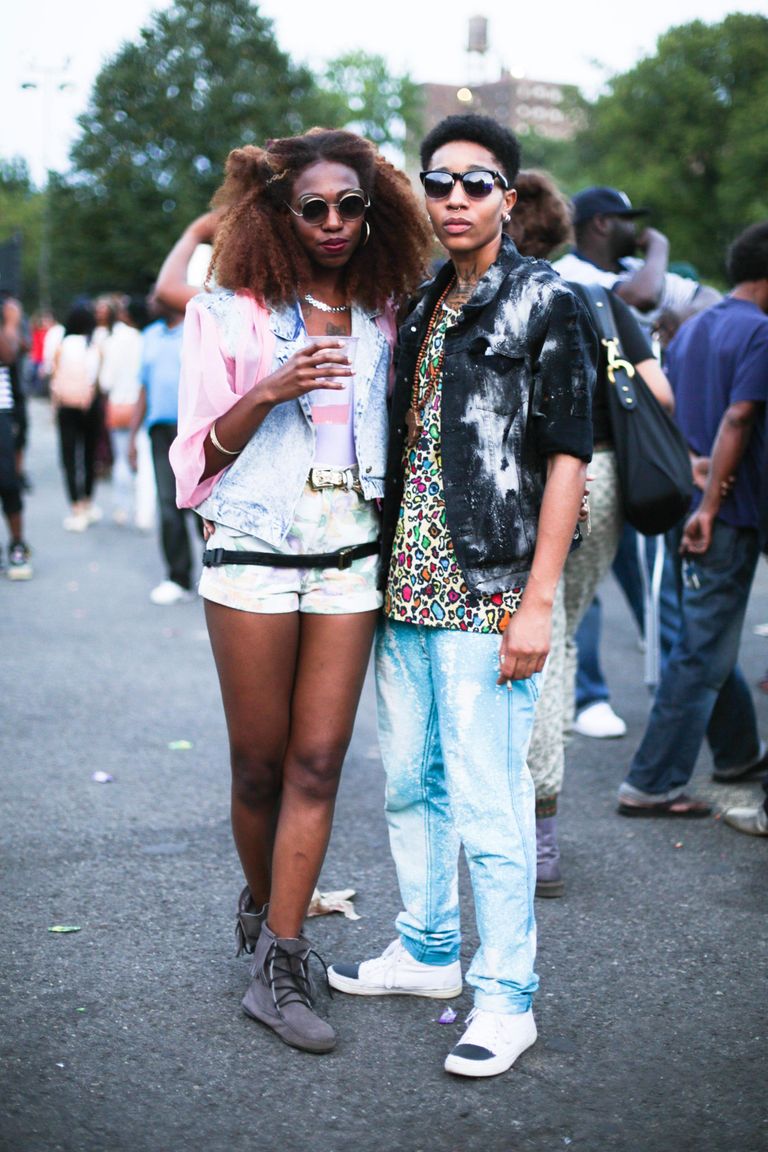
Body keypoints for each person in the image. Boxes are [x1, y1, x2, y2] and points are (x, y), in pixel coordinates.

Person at [327, 116, 596, 1078]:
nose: (454, 200)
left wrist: (537, 601)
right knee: (411, 782)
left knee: (491, 803)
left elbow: (569, 460)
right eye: (439, 183)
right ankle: (431, 950)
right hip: (406, 585)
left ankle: (507, 995)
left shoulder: (550, 302)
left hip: (489, 588)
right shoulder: (425, 297)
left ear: (509, 198)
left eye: (476, 184)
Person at [169, 128, 431, 1054]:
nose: (332, 223)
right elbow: (191, 464)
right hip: (250, 553)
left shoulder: (387, 310)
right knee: (260, 764)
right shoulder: (229, 312)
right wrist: (269, 389)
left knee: (320, 766)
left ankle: (283, 957)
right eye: (312, 207)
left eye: (349, 206)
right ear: (278, 214)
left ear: (375, 212)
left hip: (349, 561)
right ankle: (265, 901)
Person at [504, 172, 675, 894]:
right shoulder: (601, 298)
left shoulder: (505, 295)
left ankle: (525, 824)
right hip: (600, 477)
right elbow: (659, 394)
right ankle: (540, 829)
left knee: (528, 641)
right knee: (560, 632)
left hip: (524, 477)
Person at [617, 221, 768, 816]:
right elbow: (739, 419)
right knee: (700, 650)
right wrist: (710, 503)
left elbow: (667, 408)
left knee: (707, 636)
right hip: (723, 512)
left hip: (693, 503)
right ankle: (651, 783)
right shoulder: (759, 332)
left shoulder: (694, 328)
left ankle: (735, 752)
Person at [129, 291, 199, 604]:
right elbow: (143, 387)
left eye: (157, 296)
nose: (151, 301)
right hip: (160, 431)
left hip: (195, 430)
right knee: (167, 506)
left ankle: (217, 571)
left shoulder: (197, 328)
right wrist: (133, 437)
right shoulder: (150, 335)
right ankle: (178, 577)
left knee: (202, 505)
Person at [49, 303, 102, 532]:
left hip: (66, 407)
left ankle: (75, 506)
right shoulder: (93, 345)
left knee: (69, 457)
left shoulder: (62, 344)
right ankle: (88, 501)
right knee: (89, 455)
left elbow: (51, 374)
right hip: (89, 407)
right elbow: (98, 379)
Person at [99, 296, 146, 525]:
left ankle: (122, 508)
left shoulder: (112, 342)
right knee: (141, 459)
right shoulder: (142, 339)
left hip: (118, 404)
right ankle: (142, 510)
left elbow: (105, 380)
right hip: (141, 404)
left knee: (121, 459)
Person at [0, 296, 32, 579]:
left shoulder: (7, 315)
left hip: (2, 410)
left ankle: (17, 544)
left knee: (8, 481)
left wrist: (9, 322)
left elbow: (10, 353)